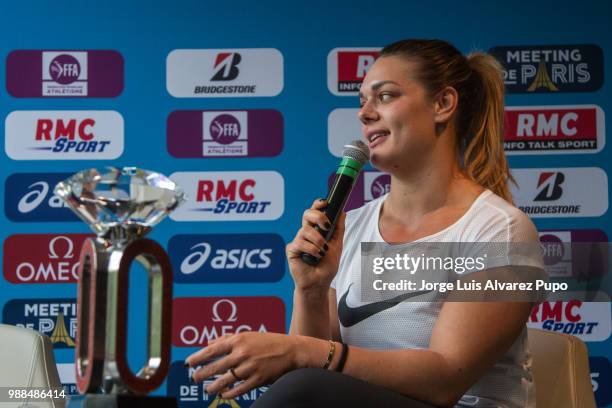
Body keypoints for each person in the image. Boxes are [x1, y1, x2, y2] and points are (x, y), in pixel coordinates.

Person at [185, 39, 544, 408]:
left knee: (304, 390)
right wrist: (310, 290)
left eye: (384, 96)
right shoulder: (352, 227)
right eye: (361, 101)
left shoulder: (499, 231)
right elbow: (307, 372)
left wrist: (306, 353)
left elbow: (445, 378)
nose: (364, 113)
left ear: (442, 104)